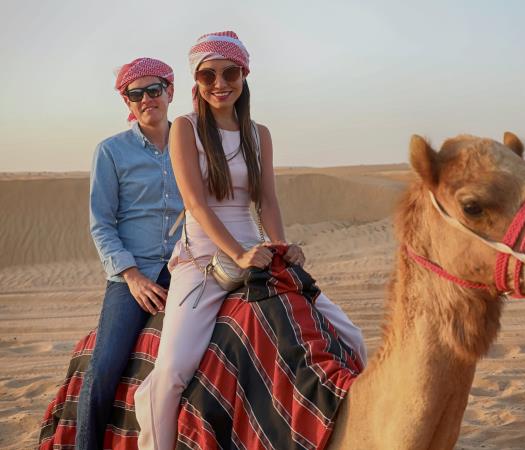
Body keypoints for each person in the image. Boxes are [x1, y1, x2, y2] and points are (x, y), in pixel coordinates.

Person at [134, 31, 367, 449]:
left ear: (244, 75)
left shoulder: (259, 134)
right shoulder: (185, 128)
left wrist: (281, 246)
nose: (220, 83)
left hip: (258, 254)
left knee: (352, 338)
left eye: (230, 73)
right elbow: (196, 204)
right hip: (205, 261)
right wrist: (238, 253)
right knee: (170, 373)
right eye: (209, 75)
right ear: (196, 82)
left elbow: (268, 201)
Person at [76, 58, 183, 449]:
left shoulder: (192, 144)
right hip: (132, 273)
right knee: (104, 368)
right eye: (135, 94)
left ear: (169, 91)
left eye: (153, 90)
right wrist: (133, 276)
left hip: (184, 266)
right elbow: (101, 224)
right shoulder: (111, 152)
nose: (146, 99)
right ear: (127, 101)